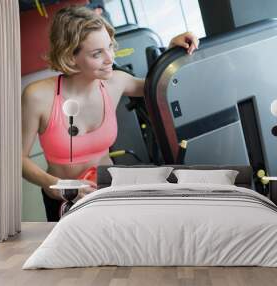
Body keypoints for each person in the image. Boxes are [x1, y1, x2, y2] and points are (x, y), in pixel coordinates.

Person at [22, 6, 199, 221]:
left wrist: (171, 52)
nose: (110, 59)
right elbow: (17, 159)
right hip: (64, 200)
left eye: (109, 47)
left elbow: (160, 86)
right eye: (97, 53)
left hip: (108, 191)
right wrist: (57, 186)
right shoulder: (38, 96)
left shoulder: (115, 81)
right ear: (70, 57)